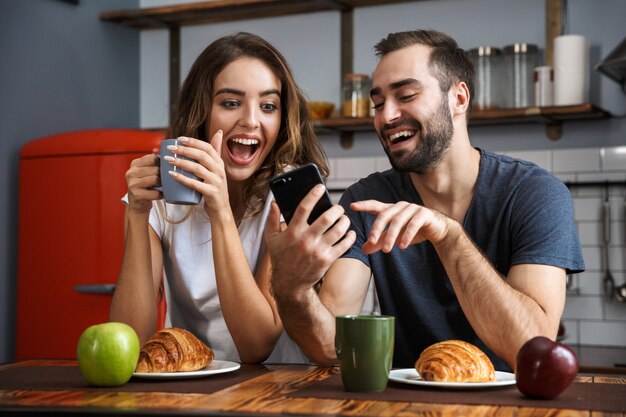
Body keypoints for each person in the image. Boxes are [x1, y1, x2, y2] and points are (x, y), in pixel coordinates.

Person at [265, 29, 584, 371]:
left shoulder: (536, 194)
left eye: (406, 95)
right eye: (377, 103)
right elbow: (333, 348)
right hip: (402, 403)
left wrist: (448, 236)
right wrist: (292, 290)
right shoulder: (366, 201)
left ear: (459, 98)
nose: (386, 116)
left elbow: (531, 348)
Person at [110, 32, 327, 364]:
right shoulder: (164, 197)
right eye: (230, 103)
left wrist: (220, 209)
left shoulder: (289, 197)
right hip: (191, 383)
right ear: (202, 112)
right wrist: (138, 213)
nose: (251, 121)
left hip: (278, 387)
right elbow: (129, 343)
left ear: (282, 120)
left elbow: (256, 347)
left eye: (268, 106)